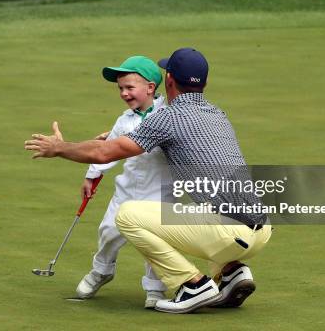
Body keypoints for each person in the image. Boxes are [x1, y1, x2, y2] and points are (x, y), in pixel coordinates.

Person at [25, 48, 271, 314]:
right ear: (205, 84)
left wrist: (60, 148)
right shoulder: (217, 114)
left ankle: (193, 284)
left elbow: (104, 152)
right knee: (197, 212)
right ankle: (231, 271)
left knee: (128, 214)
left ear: (168, 81)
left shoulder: (168, 118)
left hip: (229, 233)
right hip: (262, 230)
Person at [76, 55, 171, 308]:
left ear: (150, 87)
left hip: (159, 193)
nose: (123, 93)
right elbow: (108, 150)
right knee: (109, 231)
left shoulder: (168, 116)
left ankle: (155, 289)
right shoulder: (124, 120)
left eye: (129, 87)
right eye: (121, 88)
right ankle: (102, 270)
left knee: (155, 242)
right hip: (126, 191)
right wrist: (92, 174)